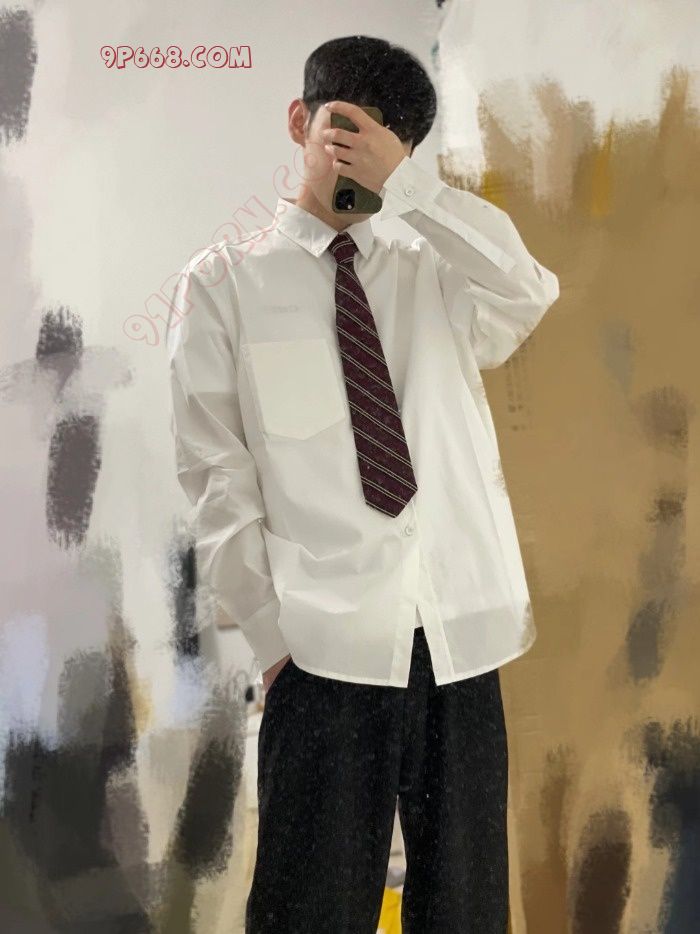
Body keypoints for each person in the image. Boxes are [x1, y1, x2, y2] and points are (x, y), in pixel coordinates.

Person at [167, 34, 559, 934]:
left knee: (465, 911)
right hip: (323, 648)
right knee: (309, 910)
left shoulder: (435, 269)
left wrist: (411, 188)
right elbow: (216, 477)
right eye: (343, 131)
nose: (358, 160)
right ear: (299, 122)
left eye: (386, 144)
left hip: (460, 635)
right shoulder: (224, 286)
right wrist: (273, 640)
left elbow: (528, 291)